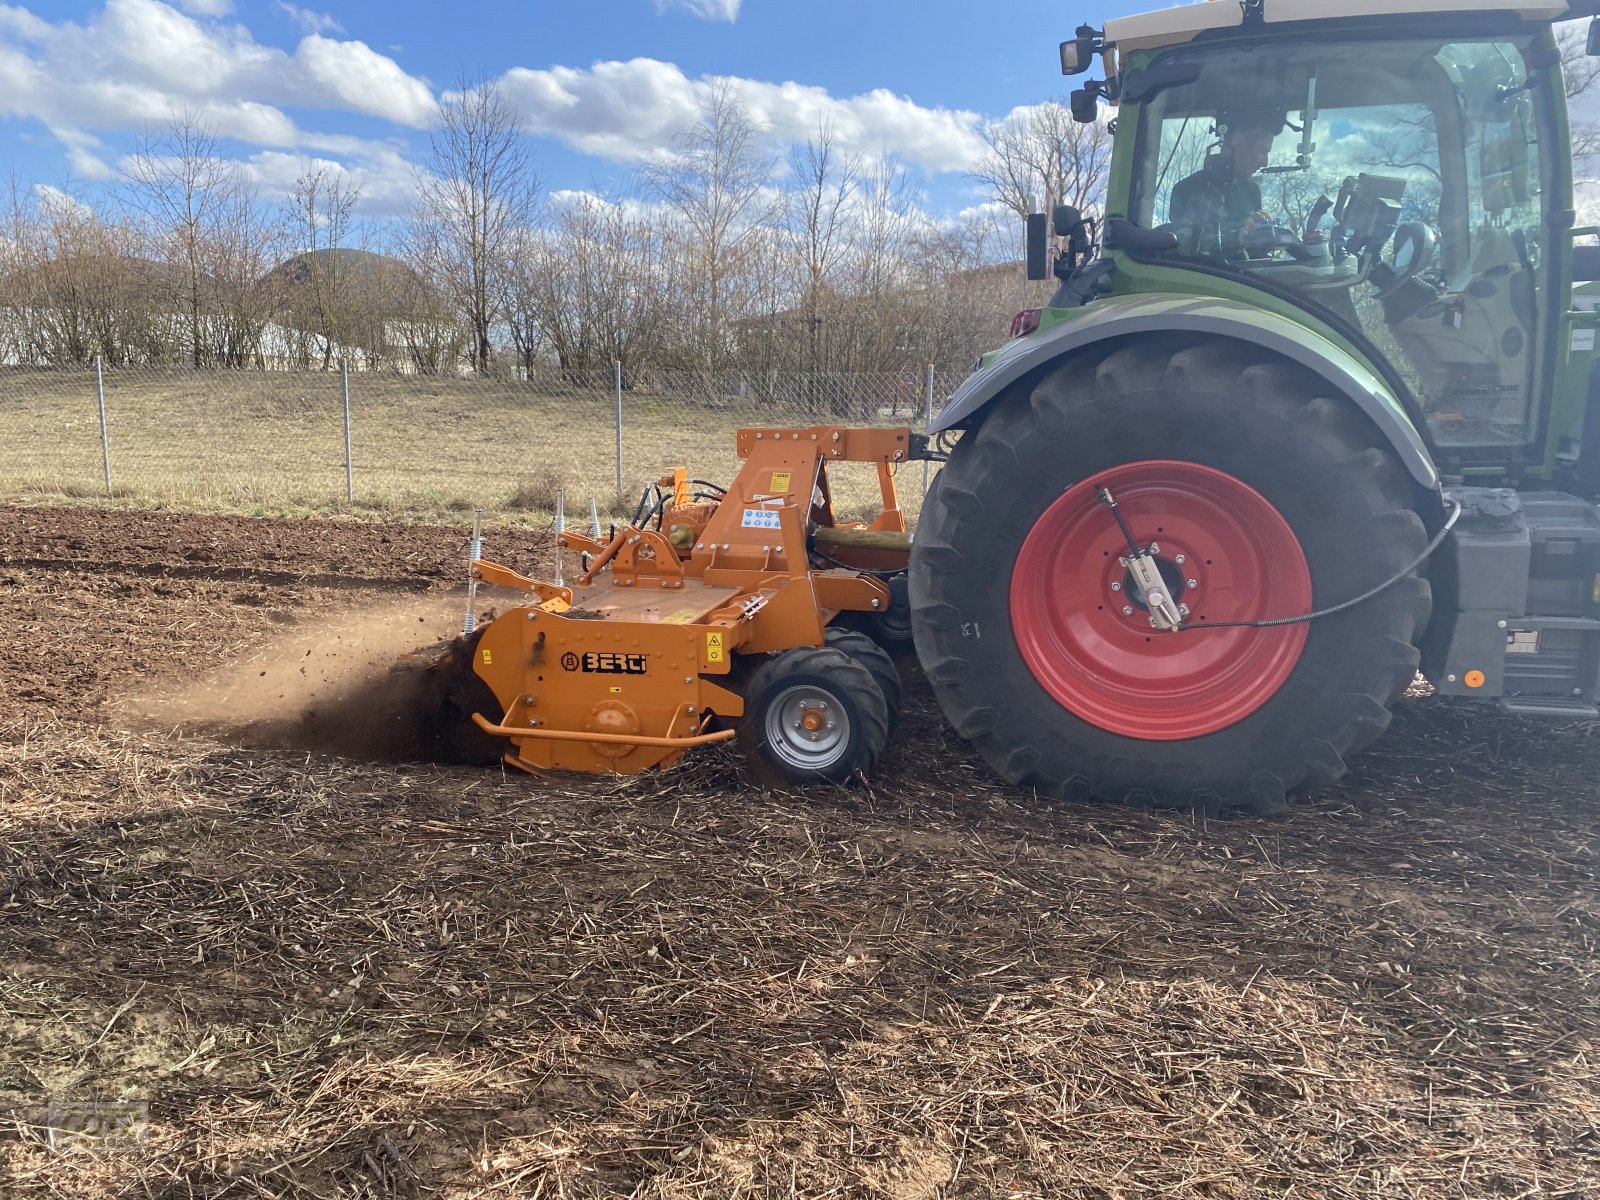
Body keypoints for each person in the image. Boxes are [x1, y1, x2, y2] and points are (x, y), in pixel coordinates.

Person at [1169, 109, 1283, 259]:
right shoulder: (1186, 189)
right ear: (1238, 143)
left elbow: (1252, 257)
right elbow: (1185, 248)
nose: (1265, 162)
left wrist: (1263, 235)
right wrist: (1239, 237)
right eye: (1263, 150)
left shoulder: (1251, 191)